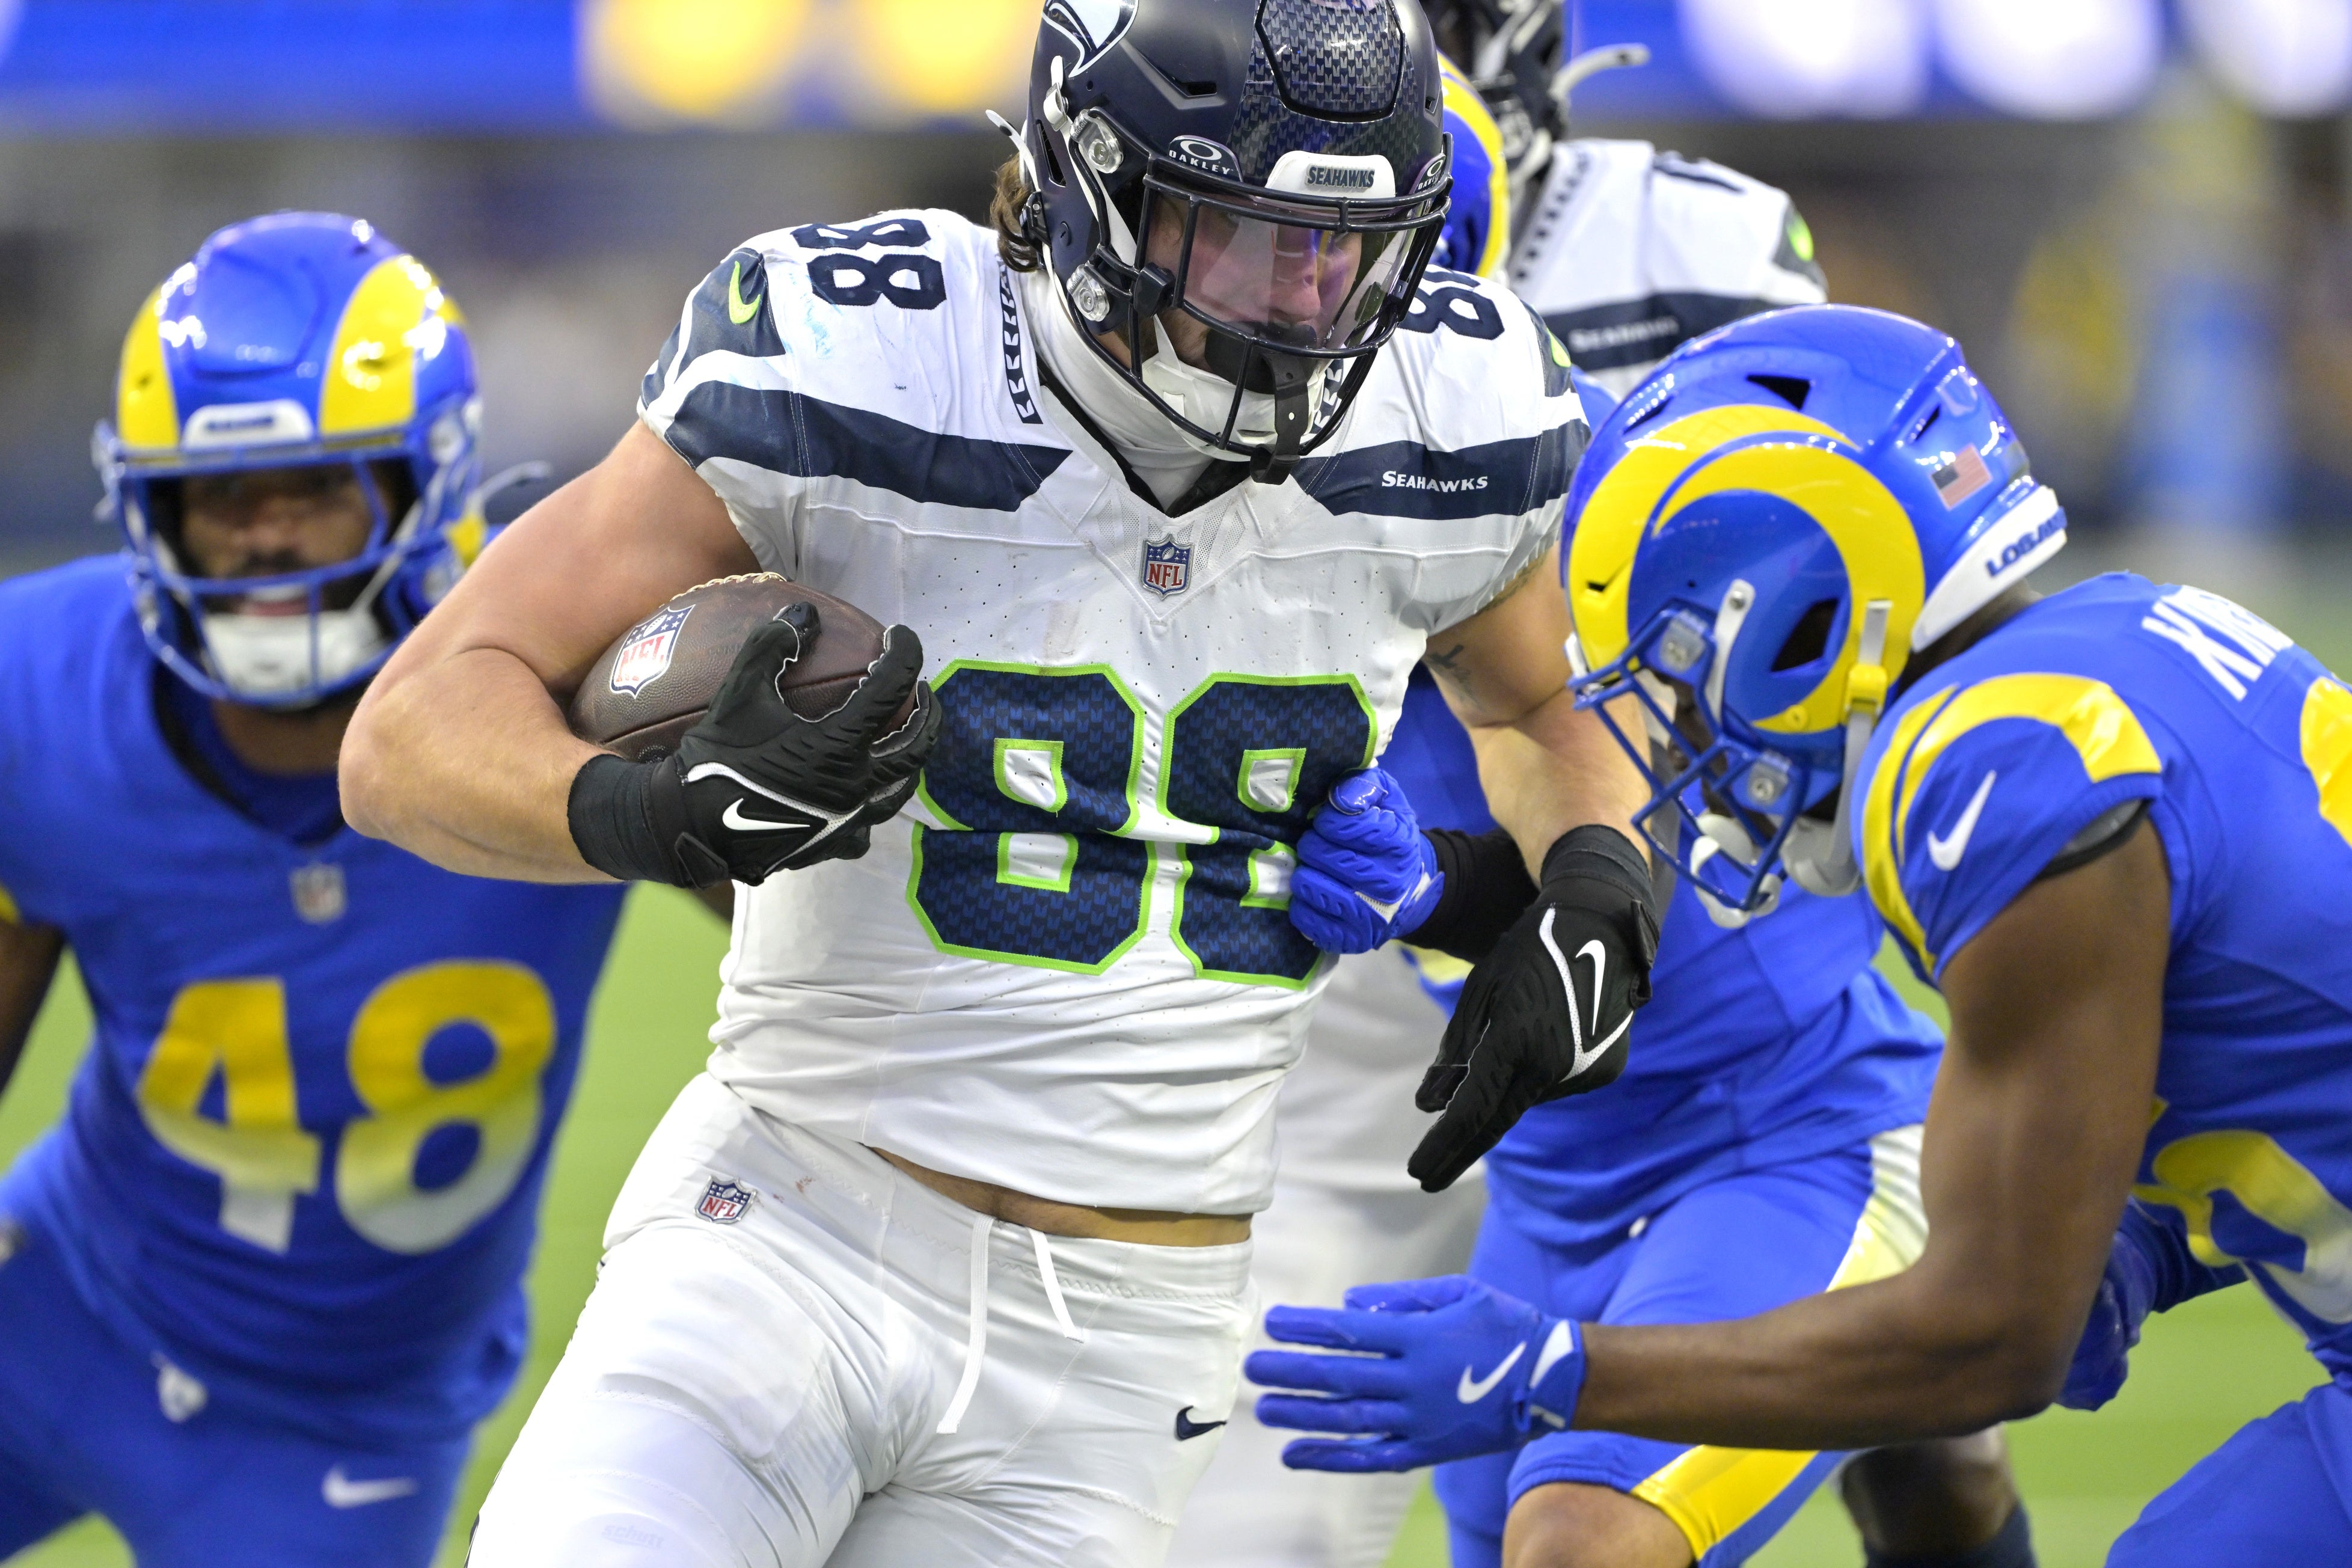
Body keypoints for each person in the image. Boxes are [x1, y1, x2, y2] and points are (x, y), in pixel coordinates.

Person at [336, 1, 1661, 1563]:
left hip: (1129, 1339)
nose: (1311, 307)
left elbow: (1549, 713)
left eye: (1348, 250)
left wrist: (1596, 883)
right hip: (791, 1230)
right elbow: (412, 726)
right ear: (1094, 185)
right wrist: (646, 811)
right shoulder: (872, 352)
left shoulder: (1463, 403)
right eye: (1250, 237)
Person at [1249, 302, 2352, 1564]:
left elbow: (1995, 1337)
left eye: (1674, 661)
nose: (1674, 731)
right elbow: (2298, 1053)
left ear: (1798, 607)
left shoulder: (1999, 769)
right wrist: (2150, 1250)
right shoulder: (2101, 646)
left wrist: (1559, 1367)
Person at [1177, 8, 2030, 1567]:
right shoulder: (1215, 484)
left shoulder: (1541, 470)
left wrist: (1459, 877)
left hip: (1784, 1113)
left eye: (1317, 257)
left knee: (1598, 1540)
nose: (1270, 298)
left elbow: (1647, 836)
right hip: (1552, 1174)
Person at [0, 212, 628, 1567]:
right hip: (61, 1303)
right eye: (221, 497)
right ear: (148, 506)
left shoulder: (575, 684)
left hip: (337, 1422)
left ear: (424, 481)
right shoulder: (39, 688)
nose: (265, 537)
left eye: (315, 484)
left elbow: (826, 967)